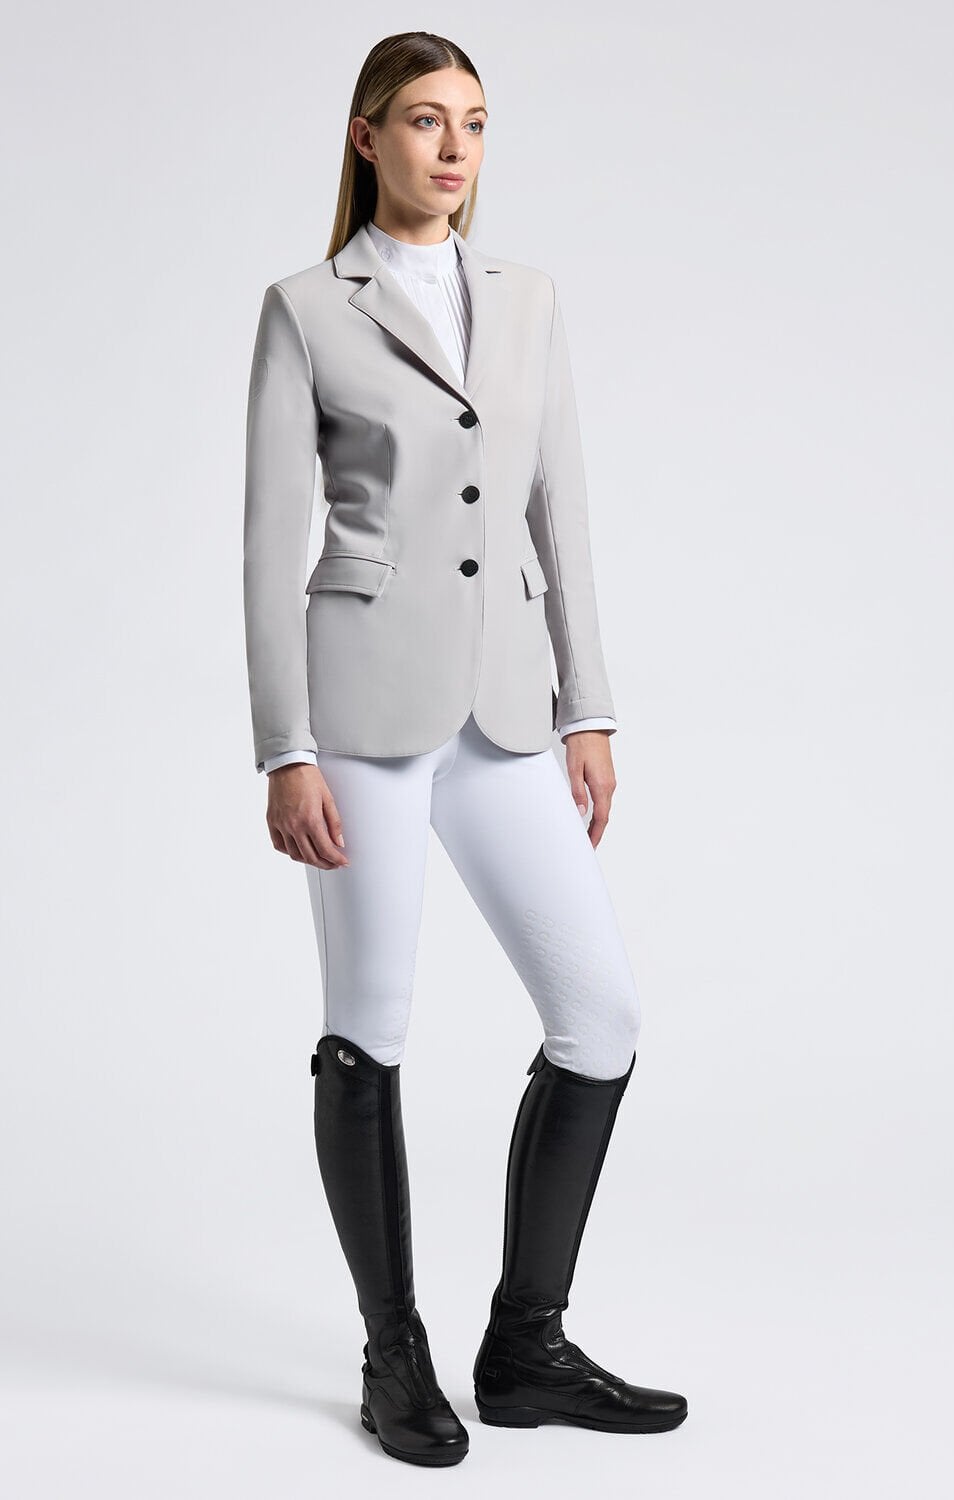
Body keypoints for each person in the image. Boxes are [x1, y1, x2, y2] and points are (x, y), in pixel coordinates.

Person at [242, 31, 688, 1467]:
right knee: (369, 1029)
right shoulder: (307, 308)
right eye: (427, 121)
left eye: (475, 124)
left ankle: (526, 1348)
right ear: (366, 136)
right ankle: (396, 1354)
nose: (454, 148)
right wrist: (285, 747)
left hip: (504, 712)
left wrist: (587, 709)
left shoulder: (530, 300)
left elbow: (564, 512)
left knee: (600, 1018)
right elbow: (268, 549)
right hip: (362, 717)